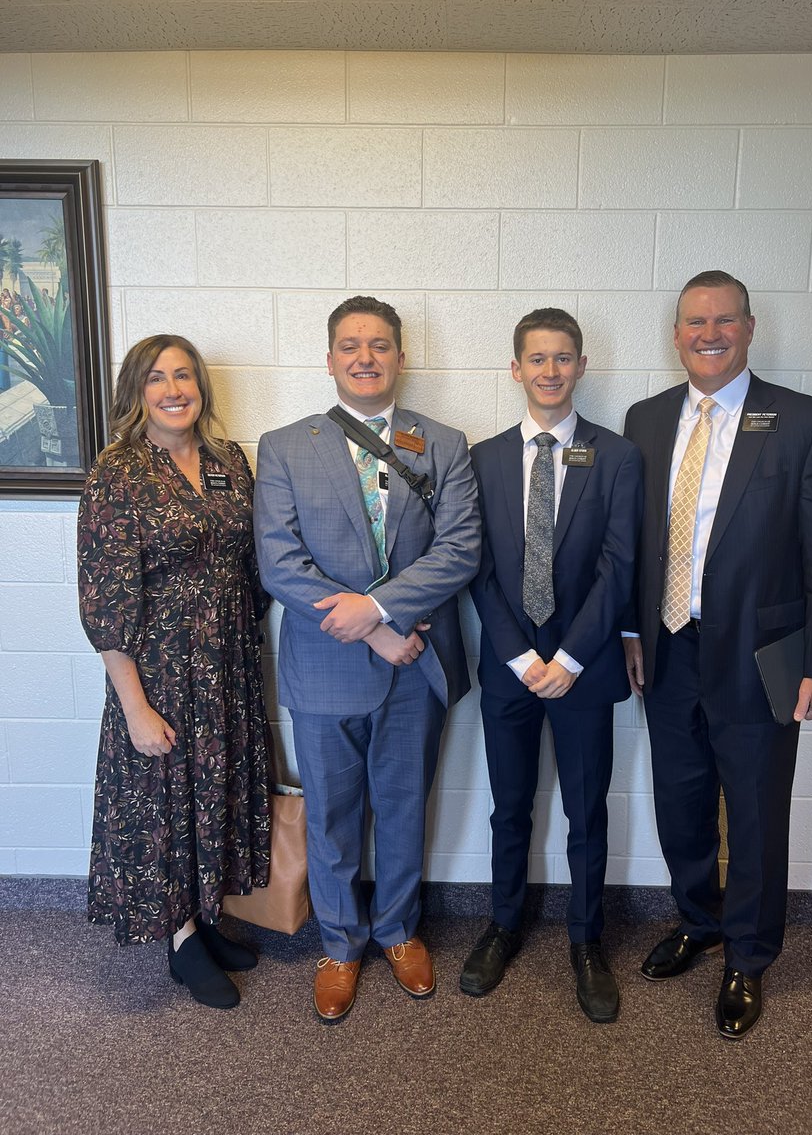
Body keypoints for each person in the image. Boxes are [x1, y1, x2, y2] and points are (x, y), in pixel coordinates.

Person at [623, 270, 812, 1039]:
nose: (709, 334)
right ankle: (700, 920)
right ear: (677, 334)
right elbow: (634, 546)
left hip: (761, 658)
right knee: (680, 802)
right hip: (668, 647)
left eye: (725, 320)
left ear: (750, 329)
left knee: (755, 813)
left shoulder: (805, 421)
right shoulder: (646, 419)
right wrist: (631, 632)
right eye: (694, 322)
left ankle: (748, 958)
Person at [254, 295, 480, 1022]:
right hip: (325, 668)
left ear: (401, 357)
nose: (365, 357)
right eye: (350, 345)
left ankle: (399, 931)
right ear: (329, 359)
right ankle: (340, 944)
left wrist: (382, 609)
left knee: (406, 807)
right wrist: (373, 627)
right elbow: (279, 564)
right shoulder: (286, 444)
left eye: (380, 344)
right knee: (332, 817)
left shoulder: (442, 442)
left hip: (419, 666)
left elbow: (459, 551)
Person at [77, 334, 271, 1009]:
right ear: (137, 393)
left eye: (184, 375)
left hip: (230, 666)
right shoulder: (118, 473)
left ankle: (207, 916)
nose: (173, 389)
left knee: (213, 794)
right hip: (159, 671)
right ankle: (181, 938)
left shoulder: (227, 461)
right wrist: (133, 705)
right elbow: (102, 598)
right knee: (166, 800)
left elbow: (256, 566)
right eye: (157, 378)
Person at [460, 308, 642, 1023]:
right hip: (509, 669)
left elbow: (619, 565)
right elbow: (478, 569)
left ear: (581, 367)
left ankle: (587, 939)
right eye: (536, 359)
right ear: (515, 369)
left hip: (584, 670)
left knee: (585, 811)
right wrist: (519, 655)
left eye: (563, 358)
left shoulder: (618, 457)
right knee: (509, 805)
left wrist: (568, 657)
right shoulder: (483, 458)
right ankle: (505, 923)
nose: (550, 371)